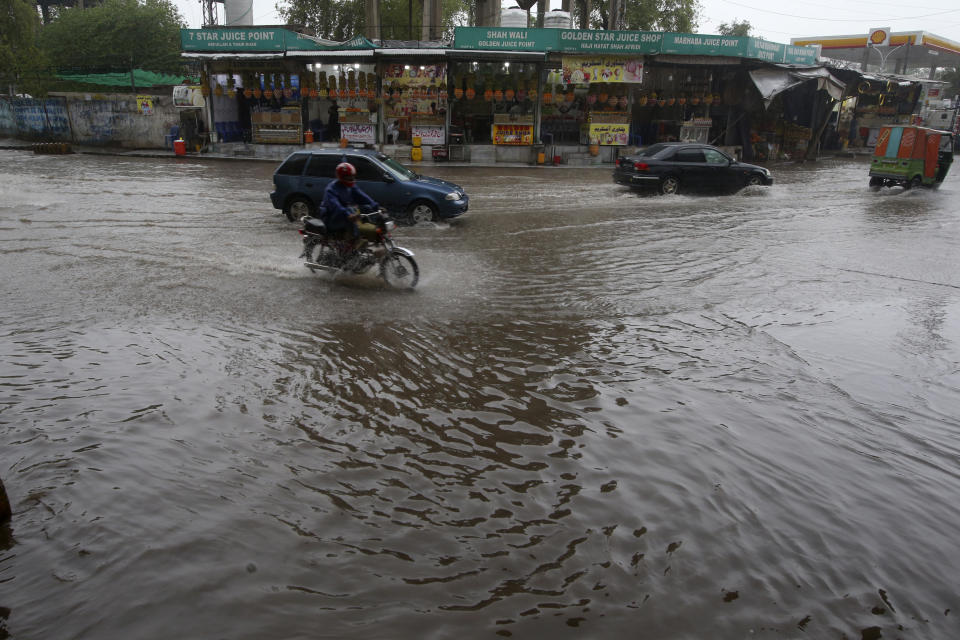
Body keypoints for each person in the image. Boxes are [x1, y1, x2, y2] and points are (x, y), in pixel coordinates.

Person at [321, 162, 380, 255]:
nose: (351, 180)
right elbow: (336, 206)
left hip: (345, 215)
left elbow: (362, 196)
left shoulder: (351, 186)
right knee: (350, 212)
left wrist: (375, 205)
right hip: (332, 217)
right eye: (348, 178)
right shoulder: (331, 189)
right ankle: (352, 247)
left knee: (366, 209)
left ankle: (363, 242)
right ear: (341, 177)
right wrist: (348, 215)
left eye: (352, 177)